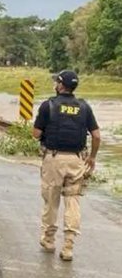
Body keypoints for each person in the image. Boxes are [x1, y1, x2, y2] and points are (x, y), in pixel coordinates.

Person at [33, 70, 101, 261]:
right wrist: (92, 158)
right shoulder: (84, 107)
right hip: (77, 160)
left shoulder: (49, 105)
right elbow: (96, 136)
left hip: (54, 159)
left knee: (51, 201)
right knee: (73, 201)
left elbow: (36, 134)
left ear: (60, 85)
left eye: (57, 82)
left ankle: (48, 240)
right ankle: (69, 246)